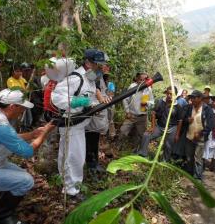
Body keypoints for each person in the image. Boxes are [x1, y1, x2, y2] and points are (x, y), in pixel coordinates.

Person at [0, 89, 55, 224]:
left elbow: (8, 138)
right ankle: (4, 216)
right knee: (26, 181)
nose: (22, 111)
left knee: (19, 173)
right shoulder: (1, 127)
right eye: (21, 107)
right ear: (12, 106)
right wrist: (44, 133)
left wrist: (32, 134)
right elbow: (27, 152)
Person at [51, 50, 108, 197]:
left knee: (69, 155)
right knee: (74, 157)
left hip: (79, 124)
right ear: (88, 63)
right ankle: (71, 191)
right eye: (98, 65)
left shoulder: (89, 79)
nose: (101, 68)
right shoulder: (76, 77)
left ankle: (66, 184)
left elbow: (87, 97)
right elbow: (57, 97)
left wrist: (91, 104)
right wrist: (83, 102)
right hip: (72, 123)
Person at [136, 87, 182, 160]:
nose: (169, 95)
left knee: (168, 145)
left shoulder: (178, 106)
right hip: (160, 126)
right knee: (146, 135)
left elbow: (180, 121)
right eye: (168, 93)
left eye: (171, 94)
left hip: (172, 128)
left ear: (175, 95)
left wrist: (177, 134)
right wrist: (152, 127)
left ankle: (164, 160)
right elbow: (153, 114)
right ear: (166, 93)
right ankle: (142, 154)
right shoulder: (160, 102)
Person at [85, 50, 112, 172]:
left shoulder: (98, 74)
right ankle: (91, 165)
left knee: (94, 139)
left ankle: (94, 163)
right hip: (91, 113)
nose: (103, 66)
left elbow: (101, 90)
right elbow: (96, 89)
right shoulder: (90, 73)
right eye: (101, 64)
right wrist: (102, 100)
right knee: (90, 140)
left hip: (96, 113)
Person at [181, 90, 214, 179]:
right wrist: (187, 120)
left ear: (200, 98)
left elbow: (210, 125)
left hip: (201, 138)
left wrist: (201, 133)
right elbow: (182, 119)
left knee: (198, 159)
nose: (192, 100)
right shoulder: (188, 108)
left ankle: (197, 177)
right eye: (191, 98)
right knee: (189, 157)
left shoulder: (207, 109)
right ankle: (189, 173)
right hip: (189, 136)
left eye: (194, 98)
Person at [120, 72, 154, 148]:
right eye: (140, 79)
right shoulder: (132, 86)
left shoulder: (148, 89)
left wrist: (147, 103)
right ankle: (119, 147)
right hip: (131, 115)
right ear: (137, 79)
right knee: (123, 130)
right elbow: (125, 99)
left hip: (142, 117)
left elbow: (152, 102)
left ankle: (136, 150)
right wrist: (127, 112)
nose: (142, 82)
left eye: (144, 80)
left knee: (141, 135)